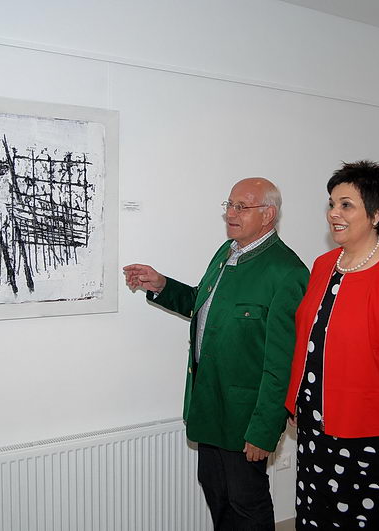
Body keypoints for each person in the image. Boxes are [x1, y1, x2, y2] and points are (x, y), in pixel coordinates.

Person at [123, 177, 309, 530]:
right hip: (209, 405)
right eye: (229, 205)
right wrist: (162, 285)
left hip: (244, 417)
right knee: (216, 493)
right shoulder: (227, 252)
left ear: (268, 215)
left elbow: (283, 363)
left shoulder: (287, 272)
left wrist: (264, 429)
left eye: (241, 207)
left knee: (246, 502)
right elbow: (204, 306)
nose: (230, 214)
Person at [285, 161, 379, 530]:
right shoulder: (323, 266)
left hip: (368, 437)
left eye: (346, 205)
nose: (334, 213)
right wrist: (297, 398)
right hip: (315, 428)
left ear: (376, 214)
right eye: (332, 204)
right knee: (316, 519)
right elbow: (310, 340)